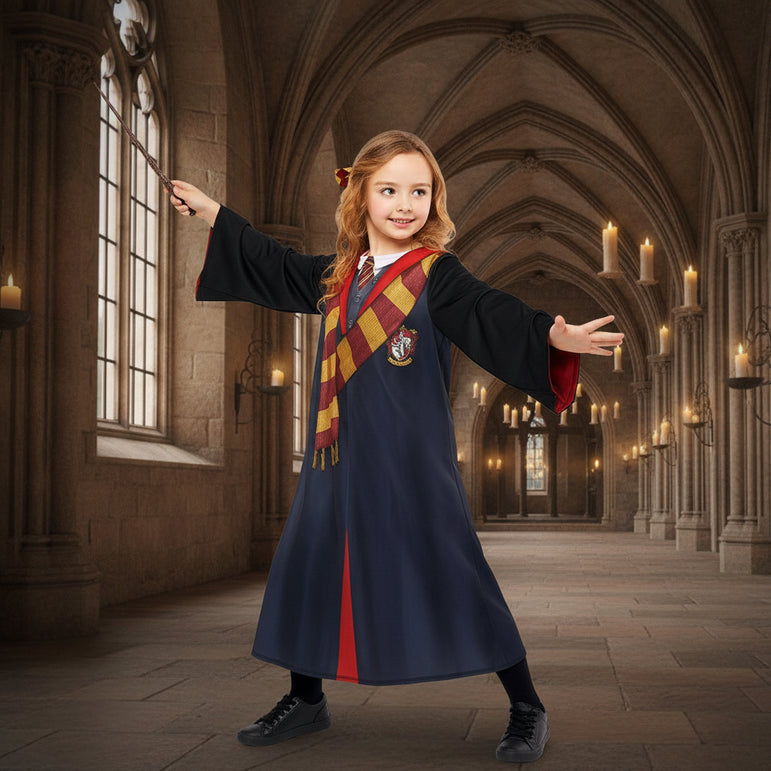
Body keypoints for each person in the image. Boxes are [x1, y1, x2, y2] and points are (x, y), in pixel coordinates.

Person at [169, 130, 623, 764]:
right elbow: (275, 266)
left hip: (411, 462)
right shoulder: (337, 276)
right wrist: (215, 213)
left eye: (419, 190)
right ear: (361, 195)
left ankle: (527, 706)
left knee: (456, 571)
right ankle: (306, 699)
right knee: (313, 566)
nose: (405, 203)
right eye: (389, 189)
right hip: (335, 460)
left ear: (433, 199)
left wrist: (553, 335)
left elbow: (490, 311)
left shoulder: (439, 276)